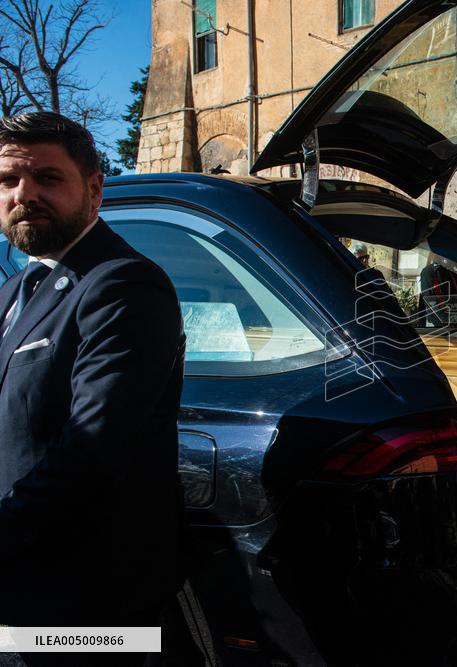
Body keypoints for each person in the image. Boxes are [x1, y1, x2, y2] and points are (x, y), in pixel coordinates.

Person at [0, 113, 185, 641]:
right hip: (21, 582)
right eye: (8, 181)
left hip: (86, 599)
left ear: (95, 188)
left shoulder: (123, 285)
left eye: (47, 178)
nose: (24, 194)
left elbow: (91, 453)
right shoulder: (16, 290)